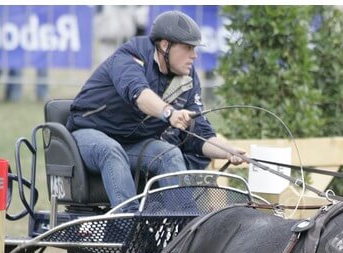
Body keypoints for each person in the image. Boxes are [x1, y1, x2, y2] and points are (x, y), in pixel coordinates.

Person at [66, 10, 244, 208]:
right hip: (88, 134)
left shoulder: (187, 78)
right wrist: (169, 113)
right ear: (165, 45)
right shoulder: (131, 55)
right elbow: (139, 94)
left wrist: (227, 151)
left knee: (169, 154)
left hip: (132, 144)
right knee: (111, 150)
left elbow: (200, 134)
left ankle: (184, 222)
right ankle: (128, 222)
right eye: (188, 48)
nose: (194, 55)